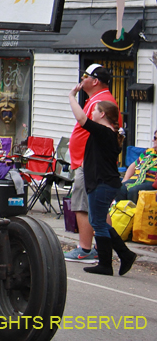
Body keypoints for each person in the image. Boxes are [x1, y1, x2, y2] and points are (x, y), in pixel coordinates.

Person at [68, 86, 136, 276]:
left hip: (103, 183)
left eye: (95, 110)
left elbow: (82, 119)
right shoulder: (108, 133)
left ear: (102, 114)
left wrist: (72, 97)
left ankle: (107, 263)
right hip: (104, 182)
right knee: (96, 220)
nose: (92, 112)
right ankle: (124, 254)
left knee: (97, 222)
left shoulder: (104, 132)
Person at [64, 64, 117, 263]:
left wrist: (71, 97)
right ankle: (103, 249)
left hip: (90, 164)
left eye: (85, 75)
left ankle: (86, 249)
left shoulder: (102, 101)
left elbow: (87, 123)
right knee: (95, 208)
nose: (81, 78)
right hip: (86, 162)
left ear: (95, 81)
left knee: (85, 206)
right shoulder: (95, 99)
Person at [116, 132, 157, 203]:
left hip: (150, 181)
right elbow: (133, 165)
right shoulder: (149, 152)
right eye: (154, 138)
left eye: (156, 139)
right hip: (136, 178)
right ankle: (121, 212)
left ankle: (134, 213)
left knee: (133, 191)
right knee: (120, 188)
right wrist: (125, 179)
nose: (153, 140)